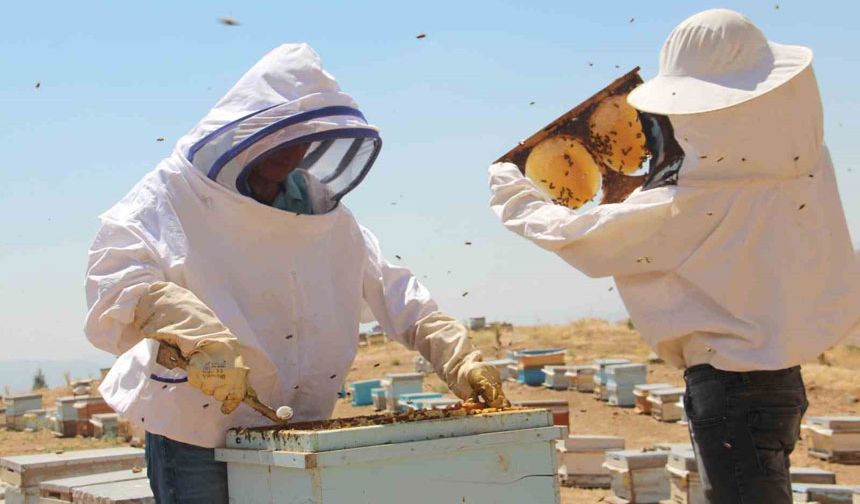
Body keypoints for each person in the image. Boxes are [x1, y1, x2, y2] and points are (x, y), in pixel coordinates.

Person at [86, 43, 507, 503]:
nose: (294, 152)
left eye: (305, 139)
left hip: (298, 424)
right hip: (197, 427)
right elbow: (116, 281)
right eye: (282, 137)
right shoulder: (174, 194)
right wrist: (190, 329)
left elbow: (393, 288)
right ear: (248, 131)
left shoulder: (319, 208)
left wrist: (456, 355)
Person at [488, 9, 858, 503]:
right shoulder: (806, 162)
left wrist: (514, 195)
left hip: (732, 390)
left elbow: (581, 236)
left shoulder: (692, 201)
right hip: (782, 382)